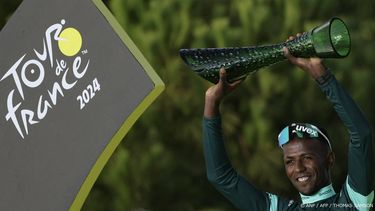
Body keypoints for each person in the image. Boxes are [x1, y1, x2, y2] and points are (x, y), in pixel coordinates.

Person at [202, 35, 374, 210]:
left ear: (329, 159)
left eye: (307, 158)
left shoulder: (353, 202)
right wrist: (211, 102)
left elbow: (362, 135)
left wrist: (324, 77)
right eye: (289, 161)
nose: (298, 168)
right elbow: (220, 177)